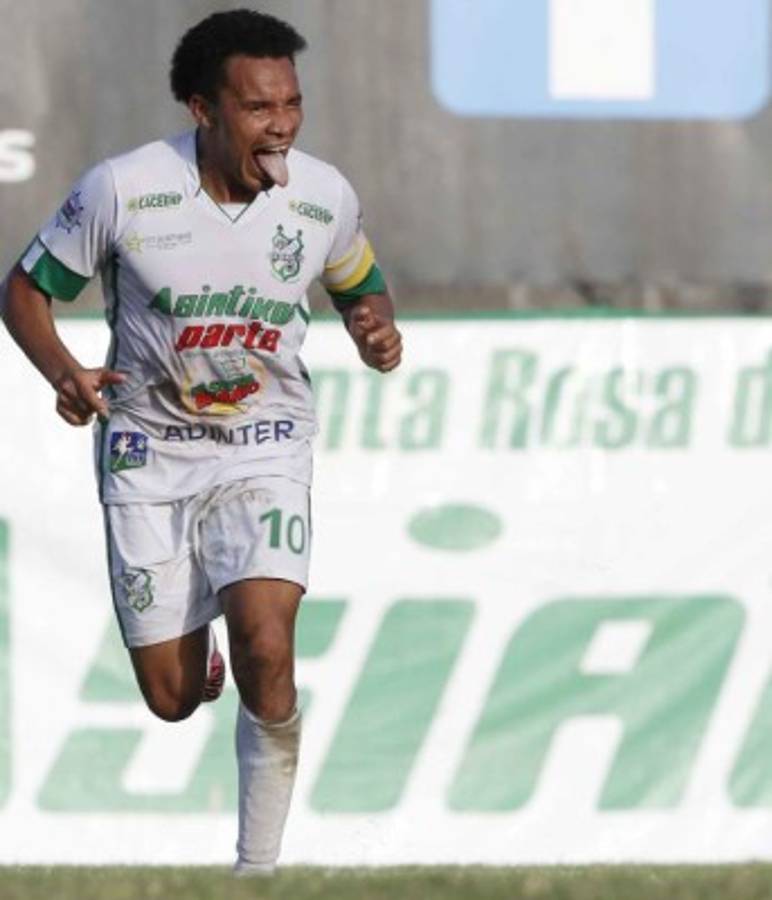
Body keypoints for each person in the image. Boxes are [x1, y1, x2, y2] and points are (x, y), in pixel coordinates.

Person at [1, 8, 401, 874]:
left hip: (265, 443)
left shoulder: (321, 196)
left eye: (292, 103)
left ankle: (258, 873)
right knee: (173, 698)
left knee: (268, 643)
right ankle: (193, 645)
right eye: (258, 108)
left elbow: (360, 283)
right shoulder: (124, 191)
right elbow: (25, 291)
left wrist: (376, 329)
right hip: (148, 455)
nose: (282, 125)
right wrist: (66, 373)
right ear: (203, 110)